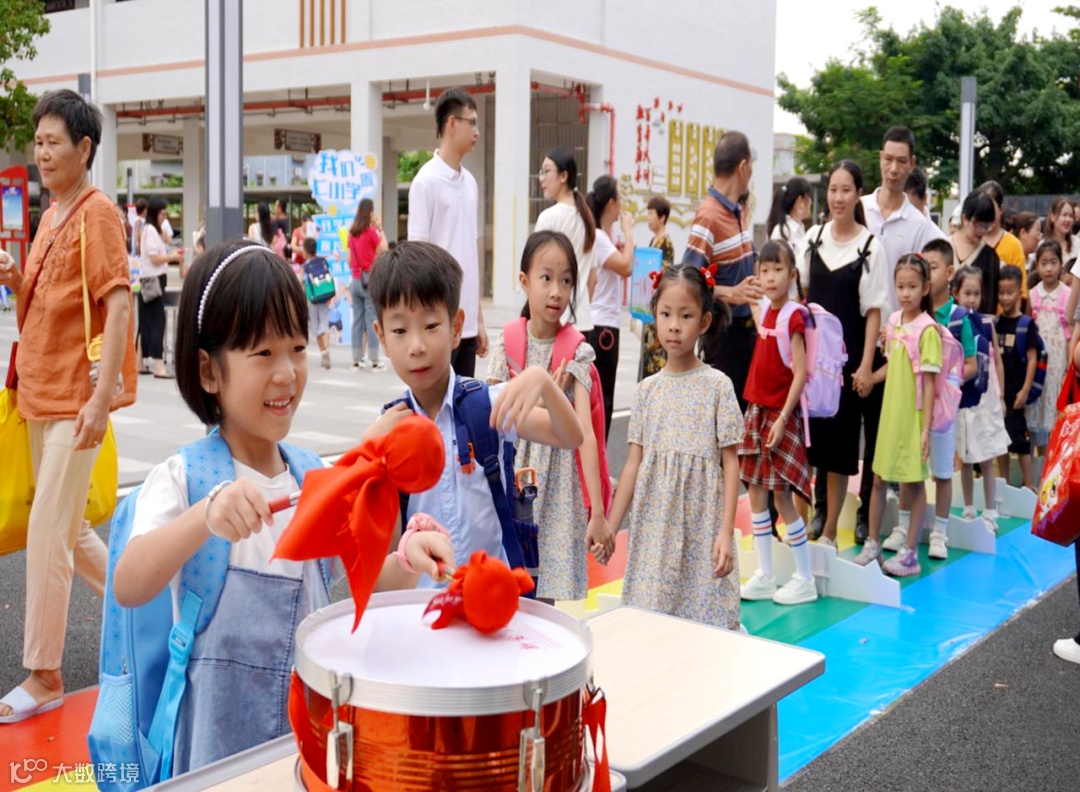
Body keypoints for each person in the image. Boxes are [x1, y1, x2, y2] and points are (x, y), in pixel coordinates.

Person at [110, 242, 453, 772]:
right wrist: (206, 516)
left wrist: (409, 556)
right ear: (208, 371)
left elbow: (358, 576)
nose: (287, 372)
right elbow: (129, 583)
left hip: (303, 741)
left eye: (296, 348)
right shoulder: (185, 478)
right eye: (263, 354)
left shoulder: (309, 475)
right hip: (212, 757)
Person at [0, 89, 137, 723]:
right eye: (38, 141)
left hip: (76, 398)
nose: (42, 152)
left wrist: (102, 400)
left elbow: (118, 304)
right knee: (71, 530)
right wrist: (15, 279)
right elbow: (46, 301)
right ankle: (143, 607)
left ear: (85, 148)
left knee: (49, 531)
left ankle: (45, 673)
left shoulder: (96, 213)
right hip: (38, 393)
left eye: (54, 141)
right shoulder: (52, 215)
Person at [366, 241, 584, 588]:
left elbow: (571, 436)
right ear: (382, 338)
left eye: (431, 325)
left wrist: (543, 382)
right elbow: (381, 570)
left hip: (491, 606)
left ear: (456, 328)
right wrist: (368, 456)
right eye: (400, 331)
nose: (417, 346)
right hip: (423, 611)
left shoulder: (486, 405)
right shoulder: (386, 434)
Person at [606, 265, 742, 629]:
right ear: (654, 317)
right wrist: (612, 527)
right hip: (655, 528)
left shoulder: (718, 386)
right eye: (665, 314)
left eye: (686, 315)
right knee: (653, 617)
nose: (674, 326)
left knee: (705, 616)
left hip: (702, 525)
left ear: (704, 321)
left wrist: (726, 532)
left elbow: (731, 464)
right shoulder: (647, 390)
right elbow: (633, 464)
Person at [486, 231, 613, 600]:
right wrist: (546, 402)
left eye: (566, 281)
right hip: (511, 481)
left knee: (545, 597)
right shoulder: (507, 341)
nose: (557, 291)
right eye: (546, 278)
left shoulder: (577, 352)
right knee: (505, 586)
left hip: (558, 492)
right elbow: (493, 415)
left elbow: (585, 435)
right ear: (524, 281)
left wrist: (598, 512)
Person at [799, 161, 889, 545]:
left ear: (858, 195)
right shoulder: (812, 239)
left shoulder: (870, 247)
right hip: (810, 364)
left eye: (846, 190)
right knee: (807, 444)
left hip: (844, 366)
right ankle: (806, 523)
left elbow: (873, 312)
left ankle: (831, 530)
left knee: (837, 452)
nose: (838, 198)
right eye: (833, 189)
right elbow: (800, 296)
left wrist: (866, 366)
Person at [882, 240, 975, 561]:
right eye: (902, 285)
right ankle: (904, 526)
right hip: (913, 409)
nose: (908, 290)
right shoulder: (900, 319)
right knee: (909, 471)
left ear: (946, 273)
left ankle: (940, 532)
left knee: (942, 471)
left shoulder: (957, 317)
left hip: (941, 410)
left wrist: (946, 380)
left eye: (932, 268)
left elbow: (970, 363)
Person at [737, 240, 816, 605]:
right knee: (756, 492)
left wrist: (784, 418)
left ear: (792, 274)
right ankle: (766, 575)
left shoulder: (794, 316)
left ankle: (805, 577)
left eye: (777, 270)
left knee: (782, 496)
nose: (770, 277)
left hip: (779, 414)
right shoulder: (768, 309)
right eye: (764, 270)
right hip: (757, 410)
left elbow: (800, 372)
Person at [855, 254, 942, 575]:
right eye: (900, 286)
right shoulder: (892, 322)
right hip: (890, 415)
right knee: (879, 477)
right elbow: (893, 365)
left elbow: (930, 384)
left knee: (913, 483)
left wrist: (926, 429)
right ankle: (873, 543)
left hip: (913, 419)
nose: (905, 293)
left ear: (925, 288)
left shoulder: (928, 330)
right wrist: (870, 379)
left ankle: (910, 554)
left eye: (912, 286)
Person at [407, 87, 488, 377]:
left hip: (466, 325)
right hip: (438, 323)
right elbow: (416, 260)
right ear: (452, 123)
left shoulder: (470, 183)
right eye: (472, 122)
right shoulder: (425, 182)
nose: (477, 131)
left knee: (464, 399)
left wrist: (479, 320)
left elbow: (470, 256)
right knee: (437, 400)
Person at [683, 130, 762, 409]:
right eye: (751, 165)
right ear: (743, 167)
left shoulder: (735, 212)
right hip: (724, 338)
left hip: (745, 335)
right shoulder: (709, 215)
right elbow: (690, 282)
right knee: (725, 421)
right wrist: (733, 293)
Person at [860, 126, 946, 313]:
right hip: (855, 325)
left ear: (911, 163)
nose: (893, 169)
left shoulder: (920, 226)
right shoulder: (859, 209)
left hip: (897, 328)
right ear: (880, 158)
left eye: (901, 161)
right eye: (888, 159)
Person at [953, 266, 1009, 532]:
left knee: (986, 455)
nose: (972, 299)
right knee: (965, 456)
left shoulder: (987, 323)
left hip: (986, 398)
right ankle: (968, 507)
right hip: (963, 398)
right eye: (967, 293)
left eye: (976, 293)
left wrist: (1001, 396)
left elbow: (997, 361)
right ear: (956, 293)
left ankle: (990, 509)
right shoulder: (954, 322)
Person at [585, 175, 634, 436]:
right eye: (620, 200)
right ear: (612, 203)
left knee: (601, 398)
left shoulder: (599, 236)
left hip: (601, 324)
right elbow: (626, 267)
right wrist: (628, 231)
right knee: (603, 399)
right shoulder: (600, 237)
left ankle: (596, 457)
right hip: (602, 326)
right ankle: (598, 459)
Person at [535, 147, 597, 334]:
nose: (541, 178)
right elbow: (593, 278)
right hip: (582, 322)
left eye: (546, 171)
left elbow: (536, 270)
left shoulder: (549, 217)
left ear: (563, 176)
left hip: (555, 320)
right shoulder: (587, 218)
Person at [996, 265, 1038, 490]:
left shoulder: (1026, 324)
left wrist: (1025, 390)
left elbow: (1032, 358)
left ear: (1019, 292)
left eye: (1010, 292)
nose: (1005, 298)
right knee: (1000, 440)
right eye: (1001, 292)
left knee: (1020, 440)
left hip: (1017, 393)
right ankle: (1004, 482)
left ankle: (1029, 483)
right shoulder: (995, 323)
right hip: (1000, 393)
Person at [1027, 240, 1069, 456]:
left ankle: (1053, 457)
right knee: (1036, 404)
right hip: (1038, 360)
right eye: (1044, 263)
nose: (1049, 268)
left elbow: (1071, 331)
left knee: (1054, 406)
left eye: (1053, 262)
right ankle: (1039, 457)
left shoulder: (1068, 294)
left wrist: (1068, 366)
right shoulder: (1032, 295)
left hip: (1058, 361)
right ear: (1037, 266)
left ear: (1061, 263)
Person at [139, 196, 183, 379]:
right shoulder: (149, 230)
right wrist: (172, 257)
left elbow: (161, 248)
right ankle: (158, 364)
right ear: (155, 213)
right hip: (153, 280)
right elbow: (154, 258)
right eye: (162, 214)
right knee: (157, 322)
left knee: (146, 321)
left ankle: (139, 361)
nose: (165, 217)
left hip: (154, 280)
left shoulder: (153, 230)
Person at [347, 198, 388, 371]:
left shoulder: (352, 233)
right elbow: (384, 249)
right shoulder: (371, 232)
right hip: (368, 280)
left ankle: (356, 360)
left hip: (355, 280)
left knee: (357, 321)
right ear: (370, 212)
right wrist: (380, 228)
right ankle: (374, 359)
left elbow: (348, 260)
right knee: (371, 320)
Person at [639, 195, 674, 379]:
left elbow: (664, 275)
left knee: (655, 355)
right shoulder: (654, 241)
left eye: (652, 213)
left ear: (662, 217)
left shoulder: (665, 243)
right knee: (647, 353)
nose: (649, 218)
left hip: (658, 305)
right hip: (649, 305)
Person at [950, 191, 1001, 316]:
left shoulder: (990, 257)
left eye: (987, 226)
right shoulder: (944, 249)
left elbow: (990, 306)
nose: (982, 231)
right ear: (964, 219)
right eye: (979, 225)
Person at [979, 180, 1027, 296]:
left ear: (1001, 209)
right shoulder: (972, 240)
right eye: (982, 208)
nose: (987, 214)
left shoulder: (1013, 245)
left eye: (991, 208)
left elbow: (1021, 291)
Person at [299, 237, 334, 369]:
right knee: (324, 325)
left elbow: (299, 283)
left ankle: (323, 352)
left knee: (315, 328)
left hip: (312, 300)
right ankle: (326, 351)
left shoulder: (305, 266)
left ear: (306, 251)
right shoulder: (323, 261)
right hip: (324, 297)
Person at [767, 177, 812, 246]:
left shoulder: (800, 229)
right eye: (808, 198)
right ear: (799, 201)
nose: (811, 202)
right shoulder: (782, 231)